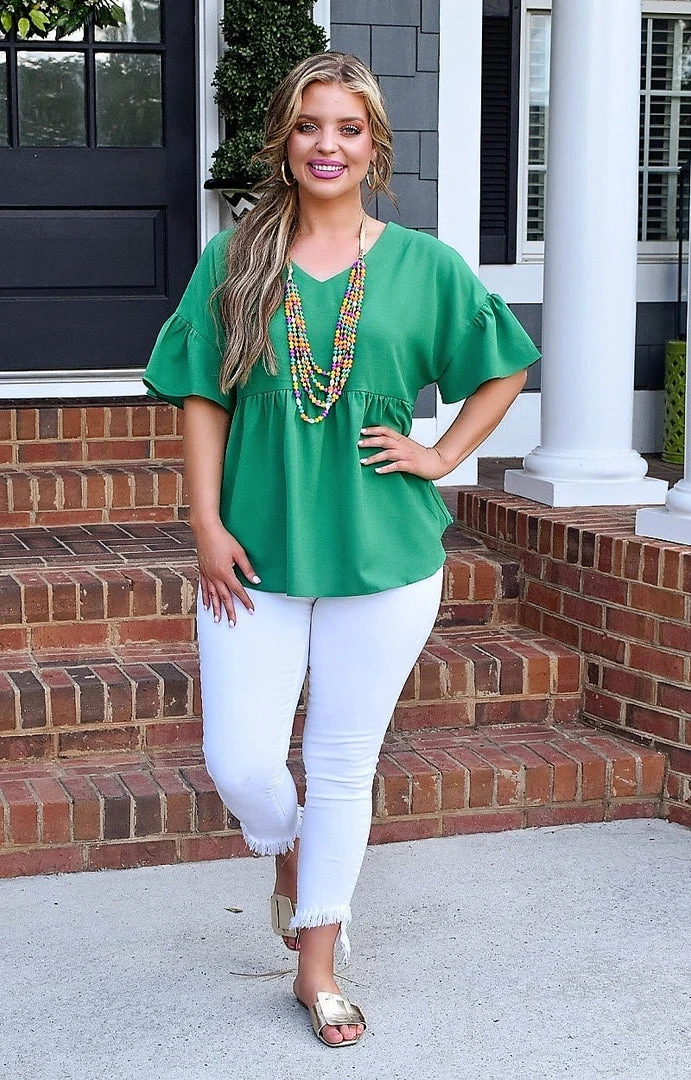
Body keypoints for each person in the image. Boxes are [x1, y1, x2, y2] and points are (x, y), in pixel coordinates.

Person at [142, 51, 540, 1048]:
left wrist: (440, 454)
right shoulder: (236, 258)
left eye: (348, 128)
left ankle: (316, 968)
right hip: (256, 551)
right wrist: (204, 523)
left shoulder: (423, 265)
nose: (328, 145)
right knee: (240, 761)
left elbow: (501, 367)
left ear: (374, 146)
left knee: (341, 762)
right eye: (309, 125)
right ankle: (287, 852)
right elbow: (201, 395)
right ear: (283, 139)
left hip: (385, 555)